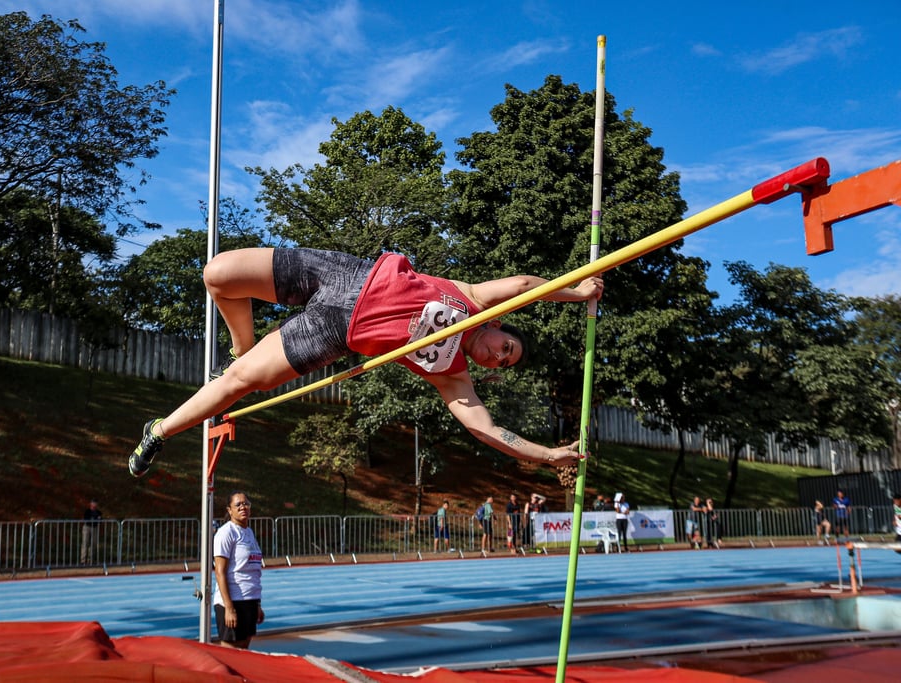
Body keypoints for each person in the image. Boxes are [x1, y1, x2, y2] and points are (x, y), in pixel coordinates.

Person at [128, 248, 603, 477]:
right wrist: (577, 292)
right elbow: (525, 286)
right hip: (342, 274)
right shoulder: (474, 298)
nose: (497, 357)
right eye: (506, 348)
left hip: (333, 333)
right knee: (217, 274)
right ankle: (241, 346)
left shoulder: (451, 374)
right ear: (500, 325)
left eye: (501, 364)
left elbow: (486, 429)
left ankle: (158, 431)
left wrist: (548, 455)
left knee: (239, 383)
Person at [213, 491, 264, 649]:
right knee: (231, 653)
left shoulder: (249, 532)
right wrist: (229, 608)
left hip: (250, 600)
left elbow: (253, 571)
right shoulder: (226, 533)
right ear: (229, 510)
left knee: (244, 651)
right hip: (233, 601)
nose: (243, 507)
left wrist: (257, 604)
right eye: (238, 505)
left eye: (246, 503)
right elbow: (220, 572)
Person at [79, 499, 102, 565]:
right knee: (85, 543)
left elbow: (100, 519)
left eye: (95, 503)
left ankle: (91, 560)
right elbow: (86, 519)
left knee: (93, 544)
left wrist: (96, 519)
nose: (94, 505)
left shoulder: (98, 512)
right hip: (87, 527)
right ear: (91, 504)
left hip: (94, 528)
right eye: (93, 503)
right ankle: (83, 560)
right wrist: (94, 519)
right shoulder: (87, 511)